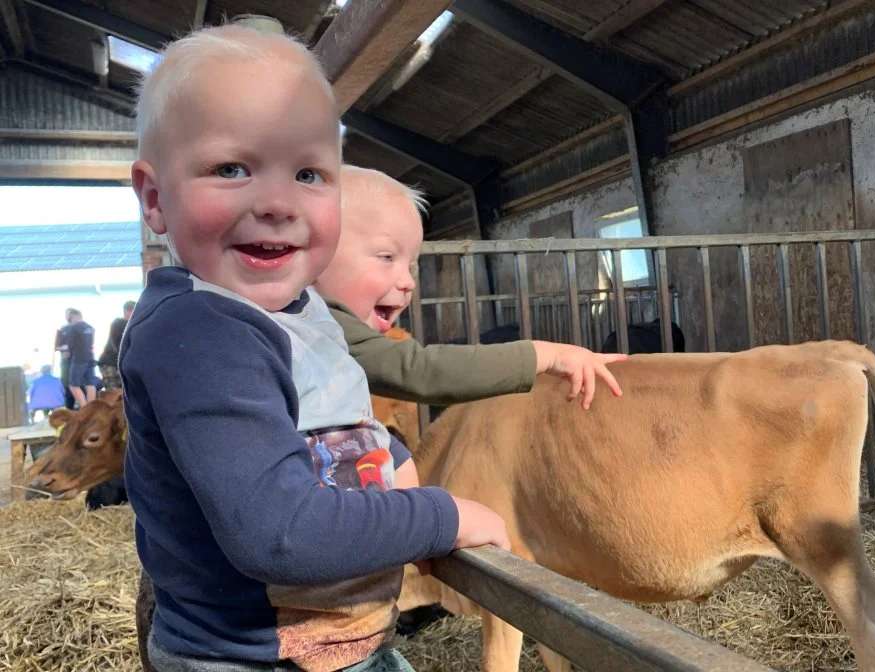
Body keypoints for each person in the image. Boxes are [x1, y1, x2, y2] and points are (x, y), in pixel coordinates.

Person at [121, 24, 509, 672]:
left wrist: (392, 456)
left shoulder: (301, 309)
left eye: (307, 172)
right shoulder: (200, 334)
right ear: (156, 198)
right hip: (248, 660)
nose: (276, 201)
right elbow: (280, 533)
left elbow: (334, 416)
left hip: (340, 644)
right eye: (231, 168)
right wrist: (438, 516)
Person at [312, 165, 626, 410]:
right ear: (313, 250)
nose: (408, 281)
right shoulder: (315, 323)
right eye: (386, 257)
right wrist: (545, 355)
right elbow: (418, 370)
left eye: (411, 265)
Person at [98, 300, 136, 390]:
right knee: (113, 394)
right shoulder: (118, 324)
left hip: (119, 364)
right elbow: (118, 346)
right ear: (128, 311)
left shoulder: (130, 324)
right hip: (110, 363)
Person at [63, 308, 97, 406]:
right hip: (90, 357)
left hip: (78, 358)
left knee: (73, 385)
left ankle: (84, 408)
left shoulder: (73, 328)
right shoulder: (90, 327)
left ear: (73, 316)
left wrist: (66, 352)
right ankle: (91, 408)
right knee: (90, 383)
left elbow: (70, 345)